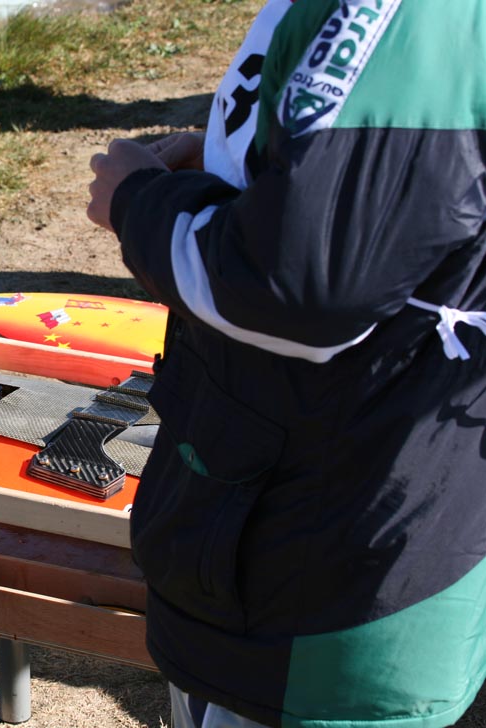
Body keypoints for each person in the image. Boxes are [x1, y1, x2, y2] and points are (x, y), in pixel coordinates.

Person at [87, 2, 486, 727]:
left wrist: (138, 203)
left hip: (332, 554)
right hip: (317, 522)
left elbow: (299, 290)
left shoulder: (413, 15)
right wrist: (244, 160)